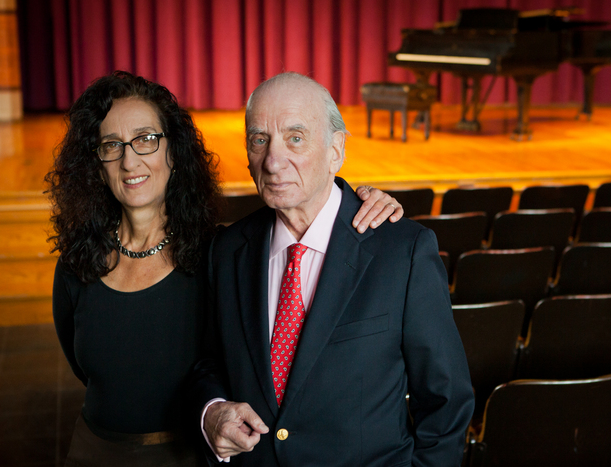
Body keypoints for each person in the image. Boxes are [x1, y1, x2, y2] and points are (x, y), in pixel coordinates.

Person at [46, 70, 404, 466]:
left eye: (146, 139)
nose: (129, 160)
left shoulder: (219, 254)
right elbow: (85, 368)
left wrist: (360, 199)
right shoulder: (77, 263)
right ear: (96, 163)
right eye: (112, 145)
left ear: (174, 152)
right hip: (93, 452)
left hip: (194, 455)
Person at [192, 72, 475, 466]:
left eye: (295, 138)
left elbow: (447, 401)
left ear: (336, 150)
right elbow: (208, 361)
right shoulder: (226, 251)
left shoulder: (403, 251)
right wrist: (212, 411)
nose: (272, 161)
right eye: (259, 140)